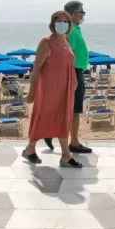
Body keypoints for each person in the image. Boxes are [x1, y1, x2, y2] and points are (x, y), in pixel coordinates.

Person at [23, 11, 82, 168]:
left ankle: (65, 155)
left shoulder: (66, 41)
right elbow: (36, 69)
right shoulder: (46, 42)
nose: (62, 24)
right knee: (43, 117)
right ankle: (30, 148)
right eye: (59, 21)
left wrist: (75, 80)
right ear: (53, 24)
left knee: (64, 119)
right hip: (49, 88)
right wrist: (32, 92)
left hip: (66, 88)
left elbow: (70, 64)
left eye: (65, 21)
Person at [44, 1, 91, 154]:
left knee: (70, 108)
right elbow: (66, 55)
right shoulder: (71, 32)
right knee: (74, 110)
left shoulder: (75, 29)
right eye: (82, 12)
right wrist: (73, 75)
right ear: (74, 14)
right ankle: (74, 143)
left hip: (77, 71)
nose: (83, 16)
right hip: (73, 71)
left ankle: (50, 133)